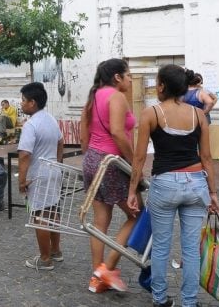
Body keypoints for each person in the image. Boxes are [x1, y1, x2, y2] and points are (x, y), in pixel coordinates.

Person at [128, 64, 219, 307]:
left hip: (165, 184)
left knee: (160, 247)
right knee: (190, 250)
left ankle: (159, 299)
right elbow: (207, 158)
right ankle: (189, 302)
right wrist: (213, 193)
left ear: (163, 86)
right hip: (195, 183)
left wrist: (132, 190)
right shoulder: (199, 115)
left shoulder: (151, 113)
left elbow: (139, 158)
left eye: (157, 83)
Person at [79, 58, 137, 293]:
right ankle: (107, 269)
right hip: (112, 162)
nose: (131, 79)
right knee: (137, 214)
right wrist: (135, 164)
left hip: (93, 159)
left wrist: (89, 158)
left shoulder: (94, 96)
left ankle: (97, 275)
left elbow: (84, 133)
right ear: (117, 77)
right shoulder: (116, 97)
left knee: (100, 222)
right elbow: (117, 132)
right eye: (129, 75)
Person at [17, 82, 64, 271]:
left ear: (32, 103)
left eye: (23, 100)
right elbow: (61, 141)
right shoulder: (51, 119)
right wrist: (57, 162)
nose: (21, 104)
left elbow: (24, 155)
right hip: (53, 170)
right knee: (53, 212)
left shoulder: (31, 125)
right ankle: (56, 251)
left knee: (40, 216)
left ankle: (45, 258)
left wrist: (22, 180)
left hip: (39, 174)